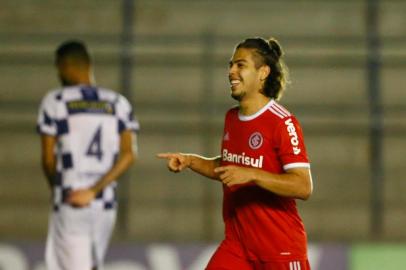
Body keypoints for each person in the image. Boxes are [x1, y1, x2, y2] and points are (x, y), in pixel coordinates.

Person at [158, 37, 313, 270]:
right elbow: (230, 168)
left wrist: (252, 175)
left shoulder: (283, 122)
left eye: (240, 65)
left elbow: (303, 186)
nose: (231, 71)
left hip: (280, 249)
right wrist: (191, 161)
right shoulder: (232, 118)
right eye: (231, 65)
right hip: (239, 245)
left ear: (263, 73)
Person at [37, 40, 139, 270]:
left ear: (63, 67)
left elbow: (48, 159)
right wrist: (95, 190)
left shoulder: (56, 102)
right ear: (89, 64)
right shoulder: (117, 103)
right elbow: (129, 155)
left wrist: (58, 189)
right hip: (105, 205)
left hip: (72, 200)